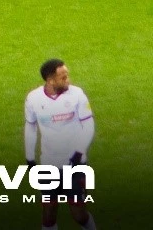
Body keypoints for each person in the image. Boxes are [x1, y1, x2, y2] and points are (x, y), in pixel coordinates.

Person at [24, 59, 97, 230]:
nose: (68, 80)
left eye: (67, 75)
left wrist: (79, 153)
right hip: (48, 164)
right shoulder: (33, 99)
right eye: (63, 78)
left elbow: (88, 124)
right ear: (50, 80)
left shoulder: (77, 95)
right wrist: (30, 159)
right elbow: (31, 126)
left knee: (78, 214)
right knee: (48, 214)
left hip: (75, 165)